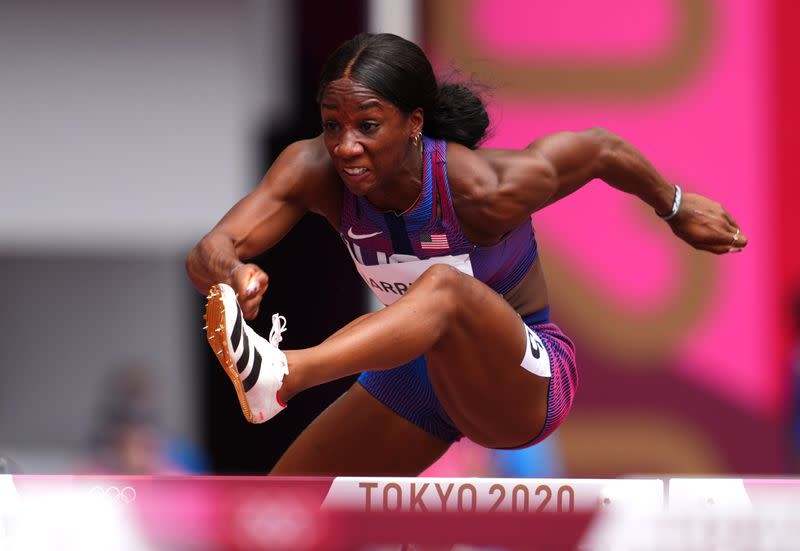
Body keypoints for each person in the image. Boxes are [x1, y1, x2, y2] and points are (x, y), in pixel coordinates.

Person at [186, 32, 747, 476]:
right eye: (333, 125)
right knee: (284, 510)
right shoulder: (314, 170)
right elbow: (208, 251)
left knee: (445, 289)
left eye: (368, 125)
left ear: (415, 123)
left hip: (526, 382)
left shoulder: (483, 188)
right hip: (418, 378)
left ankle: (286, 374)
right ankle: (280, 378)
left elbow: (600, 148)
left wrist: (673, 206)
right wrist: (233, 271)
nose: (346, 146)